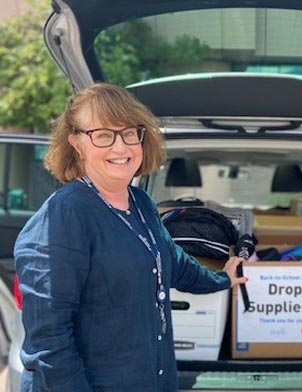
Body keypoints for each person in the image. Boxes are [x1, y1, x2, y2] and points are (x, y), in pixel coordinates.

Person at [14, 83, 247, 392]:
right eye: (103, 135)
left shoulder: (140, 203)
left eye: (129, 133)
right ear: (75, 143)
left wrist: (223, 279)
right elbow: (49, 340)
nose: (120, 148)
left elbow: (172, 262)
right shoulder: (63, 216)